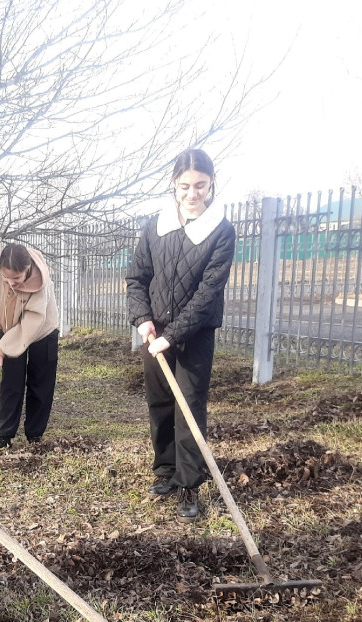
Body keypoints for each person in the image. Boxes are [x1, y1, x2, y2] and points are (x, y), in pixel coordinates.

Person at [126, 148, 236, 521]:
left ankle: (190, 483)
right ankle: (166, 472)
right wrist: (142, 319)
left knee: (188, 407)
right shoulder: (155, 226)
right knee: (160, 403)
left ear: (211, 184)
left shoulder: (221, 230)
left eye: (200, 185)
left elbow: (208, 294)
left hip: (194, 335)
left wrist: (171, 336)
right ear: (174, 183)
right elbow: (137, 278)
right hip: (154, 333)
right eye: (185, 185)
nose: (193, 194)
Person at [0, 243, 60, 448]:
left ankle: (35, 435)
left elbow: (31, 324)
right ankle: (4, 436)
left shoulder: (39, 282)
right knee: (11, 382)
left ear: (26, 271)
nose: (10, 283)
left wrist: (3, 349)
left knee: (40, 383)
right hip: (8, 325)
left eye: (16, 279)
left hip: (42, 329)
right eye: (5, 278)